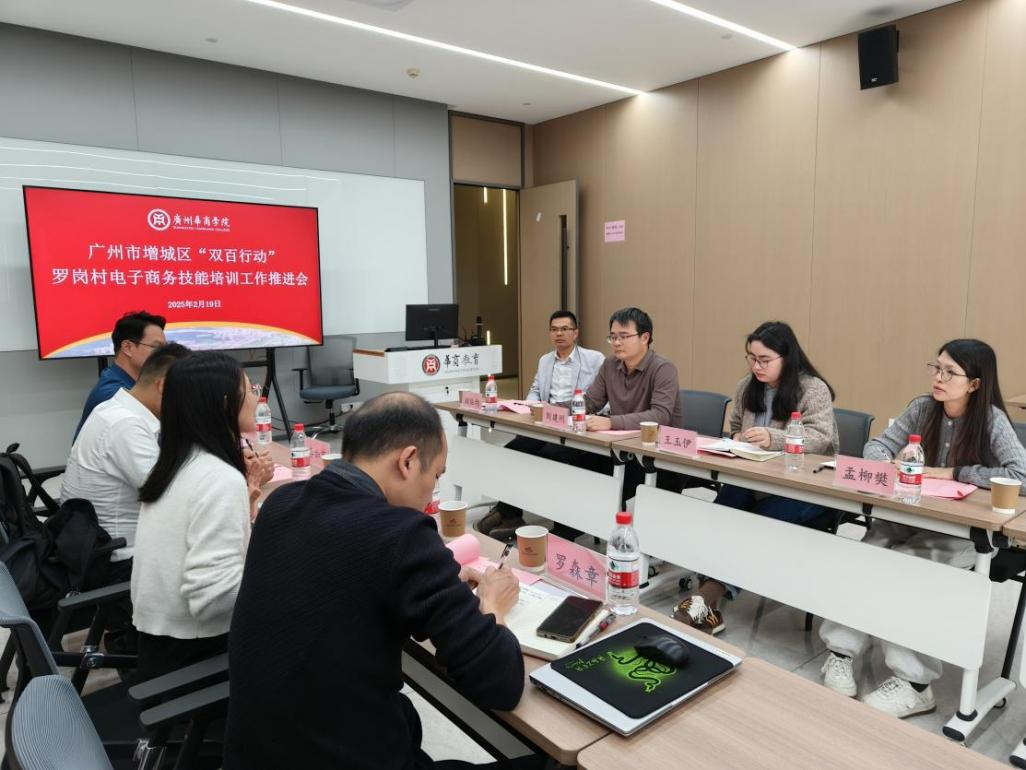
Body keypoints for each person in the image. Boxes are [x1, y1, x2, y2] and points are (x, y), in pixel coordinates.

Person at [225, 393, 528, 770]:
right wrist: (493, 605)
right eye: (436, 476)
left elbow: (348, 575)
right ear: (408, 461)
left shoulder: (281, 504)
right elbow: (500, 683)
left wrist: (436, 577)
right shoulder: (402, 534)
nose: (430, 495)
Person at [819, 339, 1026, 718]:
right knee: (865, 556)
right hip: (908, 517)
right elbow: (876, 446)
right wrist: (888, 462)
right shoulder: (922, 408)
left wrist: (955, 473)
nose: (939, 378)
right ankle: (841, 653)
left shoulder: (991, 420)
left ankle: (915, 684)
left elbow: (1021, 475)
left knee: (908, 570)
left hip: (962, 531)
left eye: (950, 372)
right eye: (936, 368)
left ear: (975, 384)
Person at [675, 321, 839, 635]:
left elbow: (821, 438)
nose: (756, 366)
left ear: (787, 358)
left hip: (805, 488)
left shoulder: (812, 389)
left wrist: (773, 438)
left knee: (756, 524)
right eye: (751, 358)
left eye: (764, 360)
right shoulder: (746, 386)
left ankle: (706, 597)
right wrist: (737, 437)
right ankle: (709, 606)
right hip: (755, 477)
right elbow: (735, 427)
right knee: (722, 512)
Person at [131, 351, 261, 683]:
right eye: (250, 389)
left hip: (159, 650)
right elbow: (213, 598)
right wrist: (276, 574)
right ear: (225, 404)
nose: (256, 398)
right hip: (199, 660)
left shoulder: (176, 464)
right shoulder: (218, 478)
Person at [61, 342, 191, 651]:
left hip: (97, 546)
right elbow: (173, 497)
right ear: (163, 386)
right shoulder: (126, 426)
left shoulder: (116, 410)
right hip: (120, 561)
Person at [478, 310, 605, 538]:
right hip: (546, 423)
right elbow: (536, 390)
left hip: (574, 426)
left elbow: (601, 398)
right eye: (554, 329)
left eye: (564, 329)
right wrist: (532, 405)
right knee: (513, 450)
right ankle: (512, 514)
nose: (559, 334)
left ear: (576, 333)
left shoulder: (594, 359)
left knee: (547, 457)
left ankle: (529, 516)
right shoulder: (545, 360)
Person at [75, 311, 167, 439]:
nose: (165, 354)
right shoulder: (113, 395)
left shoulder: (126, 383)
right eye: (156, 347)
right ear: (127, 348)